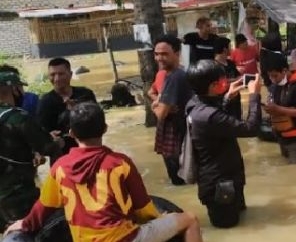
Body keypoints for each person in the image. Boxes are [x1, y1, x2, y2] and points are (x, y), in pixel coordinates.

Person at [5, 102, 203, 242]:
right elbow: (143, 208)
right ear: (105, 129)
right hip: (125, 238)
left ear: (72, 134)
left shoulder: (59, 168)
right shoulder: (120, 163)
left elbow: (44, 207)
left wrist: (24, 224)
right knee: (190, 219)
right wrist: (162, 217)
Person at [185, 60, 262, 228]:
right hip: (219, 185)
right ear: (213, 86)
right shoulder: (209, 116)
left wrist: (226, 98)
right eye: (223, 80)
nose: (226, 82)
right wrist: (254, 96)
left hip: (228, 178)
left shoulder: (195, 103)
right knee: (228, 229)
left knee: (242, 221)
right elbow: (251, 129)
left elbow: (216, 122)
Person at [0, 72, 63, 230]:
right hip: (18, 196)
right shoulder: (18, 117)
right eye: (20, 88)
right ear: (14, 89)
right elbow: (48, 147)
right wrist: (56, 142)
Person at [37, 57, 97, 164]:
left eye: (61, 74)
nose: (56, 79)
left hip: (89, 154)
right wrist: (49, 137)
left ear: (70, 74)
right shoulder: (45, 102)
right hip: (62, 159)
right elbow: (41, 133)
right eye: (52, 75)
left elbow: (98, 122)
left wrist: (77, 110)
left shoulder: (85, 94)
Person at [152, 35, 193, 186]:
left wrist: (155, 105)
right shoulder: (176, 74)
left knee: (178, 180)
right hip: (180, 133)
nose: (159, 58)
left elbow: (161, 114)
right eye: (156, 54)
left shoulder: (174, 77)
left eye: (164, 54)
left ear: (177, 54)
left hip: (176, 134)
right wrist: (160, 102)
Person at [264, 53, 296, 164]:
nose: (273, 79)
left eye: (275, 75)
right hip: (282, 136)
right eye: (270, 76)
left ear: (285, 70)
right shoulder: (275, 86)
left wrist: (278, 109)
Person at [213, 37, 242, 119]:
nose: (231, 49)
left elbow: (238, 75)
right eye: (230, 46)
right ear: (225, 49)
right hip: (223, 100)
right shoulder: (214, 66)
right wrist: (236, 80)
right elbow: (219, 82)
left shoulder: (231, 63)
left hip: (236, 99)